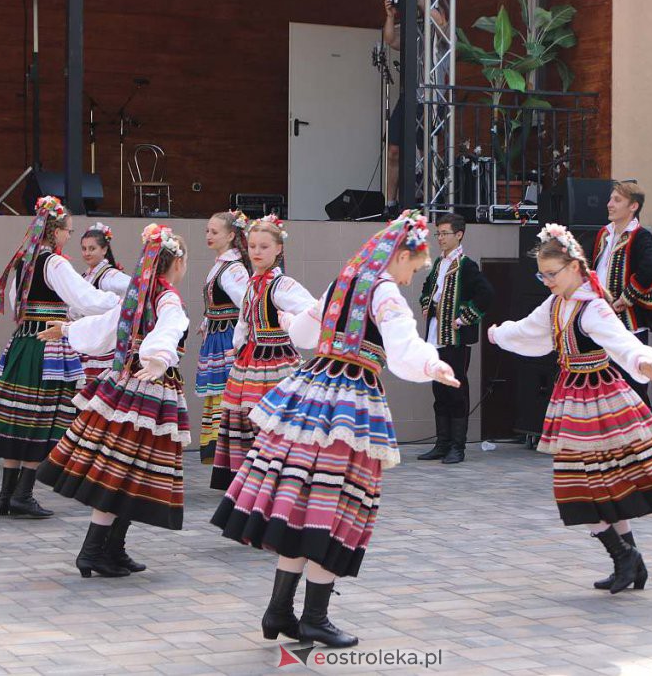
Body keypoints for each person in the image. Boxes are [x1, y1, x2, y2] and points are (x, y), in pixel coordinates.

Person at [211, 210, 459, 647]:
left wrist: (290, 324)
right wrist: (433, 364)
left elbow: (306, 329)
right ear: (400, 255)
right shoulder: (383, 292)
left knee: (301, 499)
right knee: (337, 502)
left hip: (310, 395)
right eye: (411, 267)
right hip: (349, 406)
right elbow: (402, 345)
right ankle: (314, 618)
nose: (408, 279)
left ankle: (278, 611)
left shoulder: (344, 280)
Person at [489, 223, 652, 594]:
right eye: (542, 274)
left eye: (551, 273)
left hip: (600, 401)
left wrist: (646, 360)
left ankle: (625, 557)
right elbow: (526, 331)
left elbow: (622, 342)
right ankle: (630, 561)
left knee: (583, 488)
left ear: (574, 267)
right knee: (599, 485)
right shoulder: (556, 304)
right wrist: (498, 333)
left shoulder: (592, 307)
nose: (546, 280)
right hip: (573, 398)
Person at [36, 224, 191, 577]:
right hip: (148, 389)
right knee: (127, 471)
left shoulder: (138, 293)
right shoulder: (166, 298)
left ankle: (110, 550)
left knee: (125, 471)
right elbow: (168, 327)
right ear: (177, 264)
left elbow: (107, 325)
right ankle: (94, 552)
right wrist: (158, 356)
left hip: (124, 383)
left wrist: (68, 329)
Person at [0, 196, 121, 519]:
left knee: (18, 417)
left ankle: (6, 494)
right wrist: (120, 304)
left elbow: (15, 304)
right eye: (68, 230)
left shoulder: (24, 261)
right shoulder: (54, 263)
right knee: (44, 418)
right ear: (56, 231)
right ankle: (23, 494)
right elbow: (84, 297)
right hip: (46, 345)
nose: (69, 236)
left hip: (23, 343)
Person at [209, 216, 316, 491]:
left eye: (264, 247)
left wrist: (292, 322)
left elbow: (312, 308)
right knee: (247, 418)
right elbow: (244, 321)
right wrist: (238, 344)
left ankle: (278, 476)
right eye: (253, 246)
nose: (257, 252)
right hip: (250, 360)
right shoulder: (253, 284)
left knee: (272, 418)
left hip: (276, 360)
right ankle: (253, 479)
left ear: (279, 248)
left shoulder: (282, 285)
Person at [417, 213, 493, 464]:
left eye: (444, 233)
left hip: (454, 339)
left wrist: (462, 318)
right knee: (439, 389)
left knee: (456, 389)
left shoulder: (466, 265)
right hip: (434, 336)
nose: (440, 238)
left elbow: (486, 295)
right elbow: (427, 290)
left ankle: (457, 447)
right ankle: (442, 443)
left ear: (458, 234)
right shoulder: (439, 263)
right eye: (438, 233)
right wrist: (427, 303)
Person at [592, 181, 652, 408]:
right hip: (603, 324)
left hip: (629, 325)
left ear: (633, 206)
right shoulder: (604, 234)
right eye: (611, 199)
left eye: (617, 200)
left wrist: (625, 299)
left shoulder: (640, 236)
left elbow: (649, 269)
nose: (609, 204)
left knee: (633, 387)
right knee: (605, 387)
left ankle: (647, 438)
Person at [382, 0, 447, 213]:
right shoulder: (412, 30)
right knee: (393, 150)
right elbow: (390, 40)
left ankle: (425, 202)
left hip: (430, 100)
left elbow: (440, 23)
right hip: (408, 97)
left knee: (422, 152)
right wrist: (391, 16)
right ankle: (390, 203)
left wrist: (420, 0)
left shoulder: (443, 34)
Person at [195, 211, 251, 464]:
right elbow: (222, 302)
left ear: (230, 235)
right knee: (221, 393)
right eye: (207, 231)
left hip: (228, 338)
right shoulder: (222, 265)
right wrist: (208, 319)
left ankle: (232, 453)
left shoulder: (233, 268)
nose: (208, 236)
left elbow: (246, 304)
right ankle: (225, 456)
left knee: (228, 393)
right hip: (218, 335)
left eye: (214, 232)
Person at [73, 222, 131, 380]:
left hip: (105, 340)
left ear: (104, 250)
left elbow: (134, 288)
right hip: (89, 339)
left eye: (92, 248)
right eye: (84, 248)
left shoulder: (110, 275)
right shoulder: (85, 276)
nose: (87, 253)